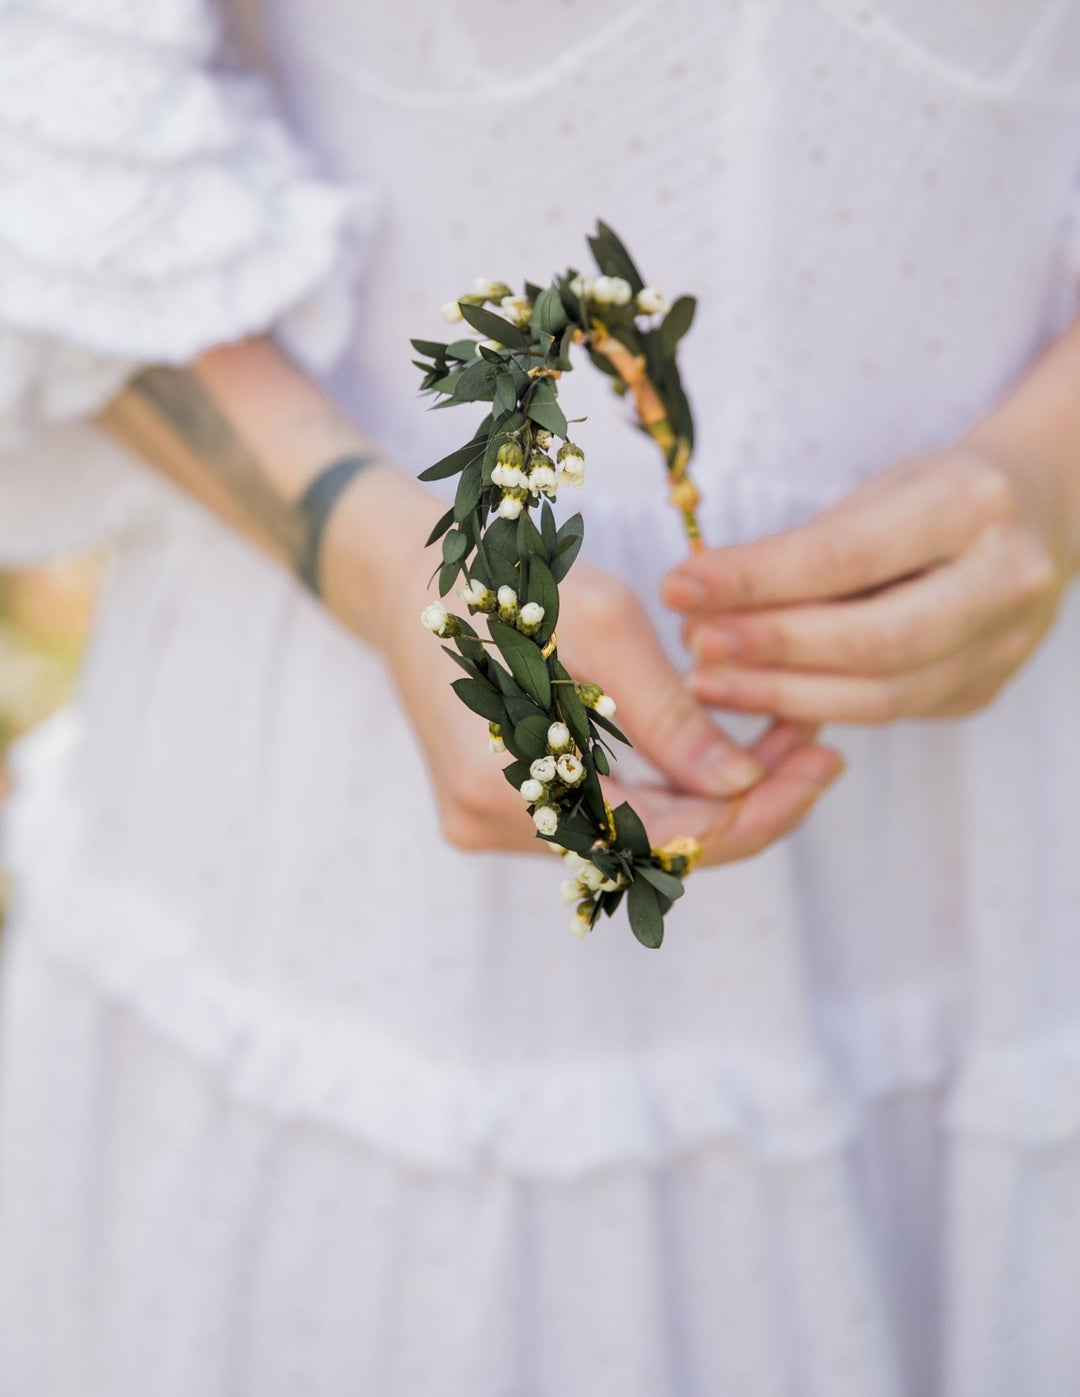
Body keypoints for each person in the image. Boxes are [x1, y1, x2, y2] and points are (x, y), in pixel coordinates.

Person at [0, 1, 1078, 1393]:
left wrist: (1049, 477)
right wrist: (377, 552)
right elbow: (40, 115)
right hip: (357, 840)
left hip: (999, 840)